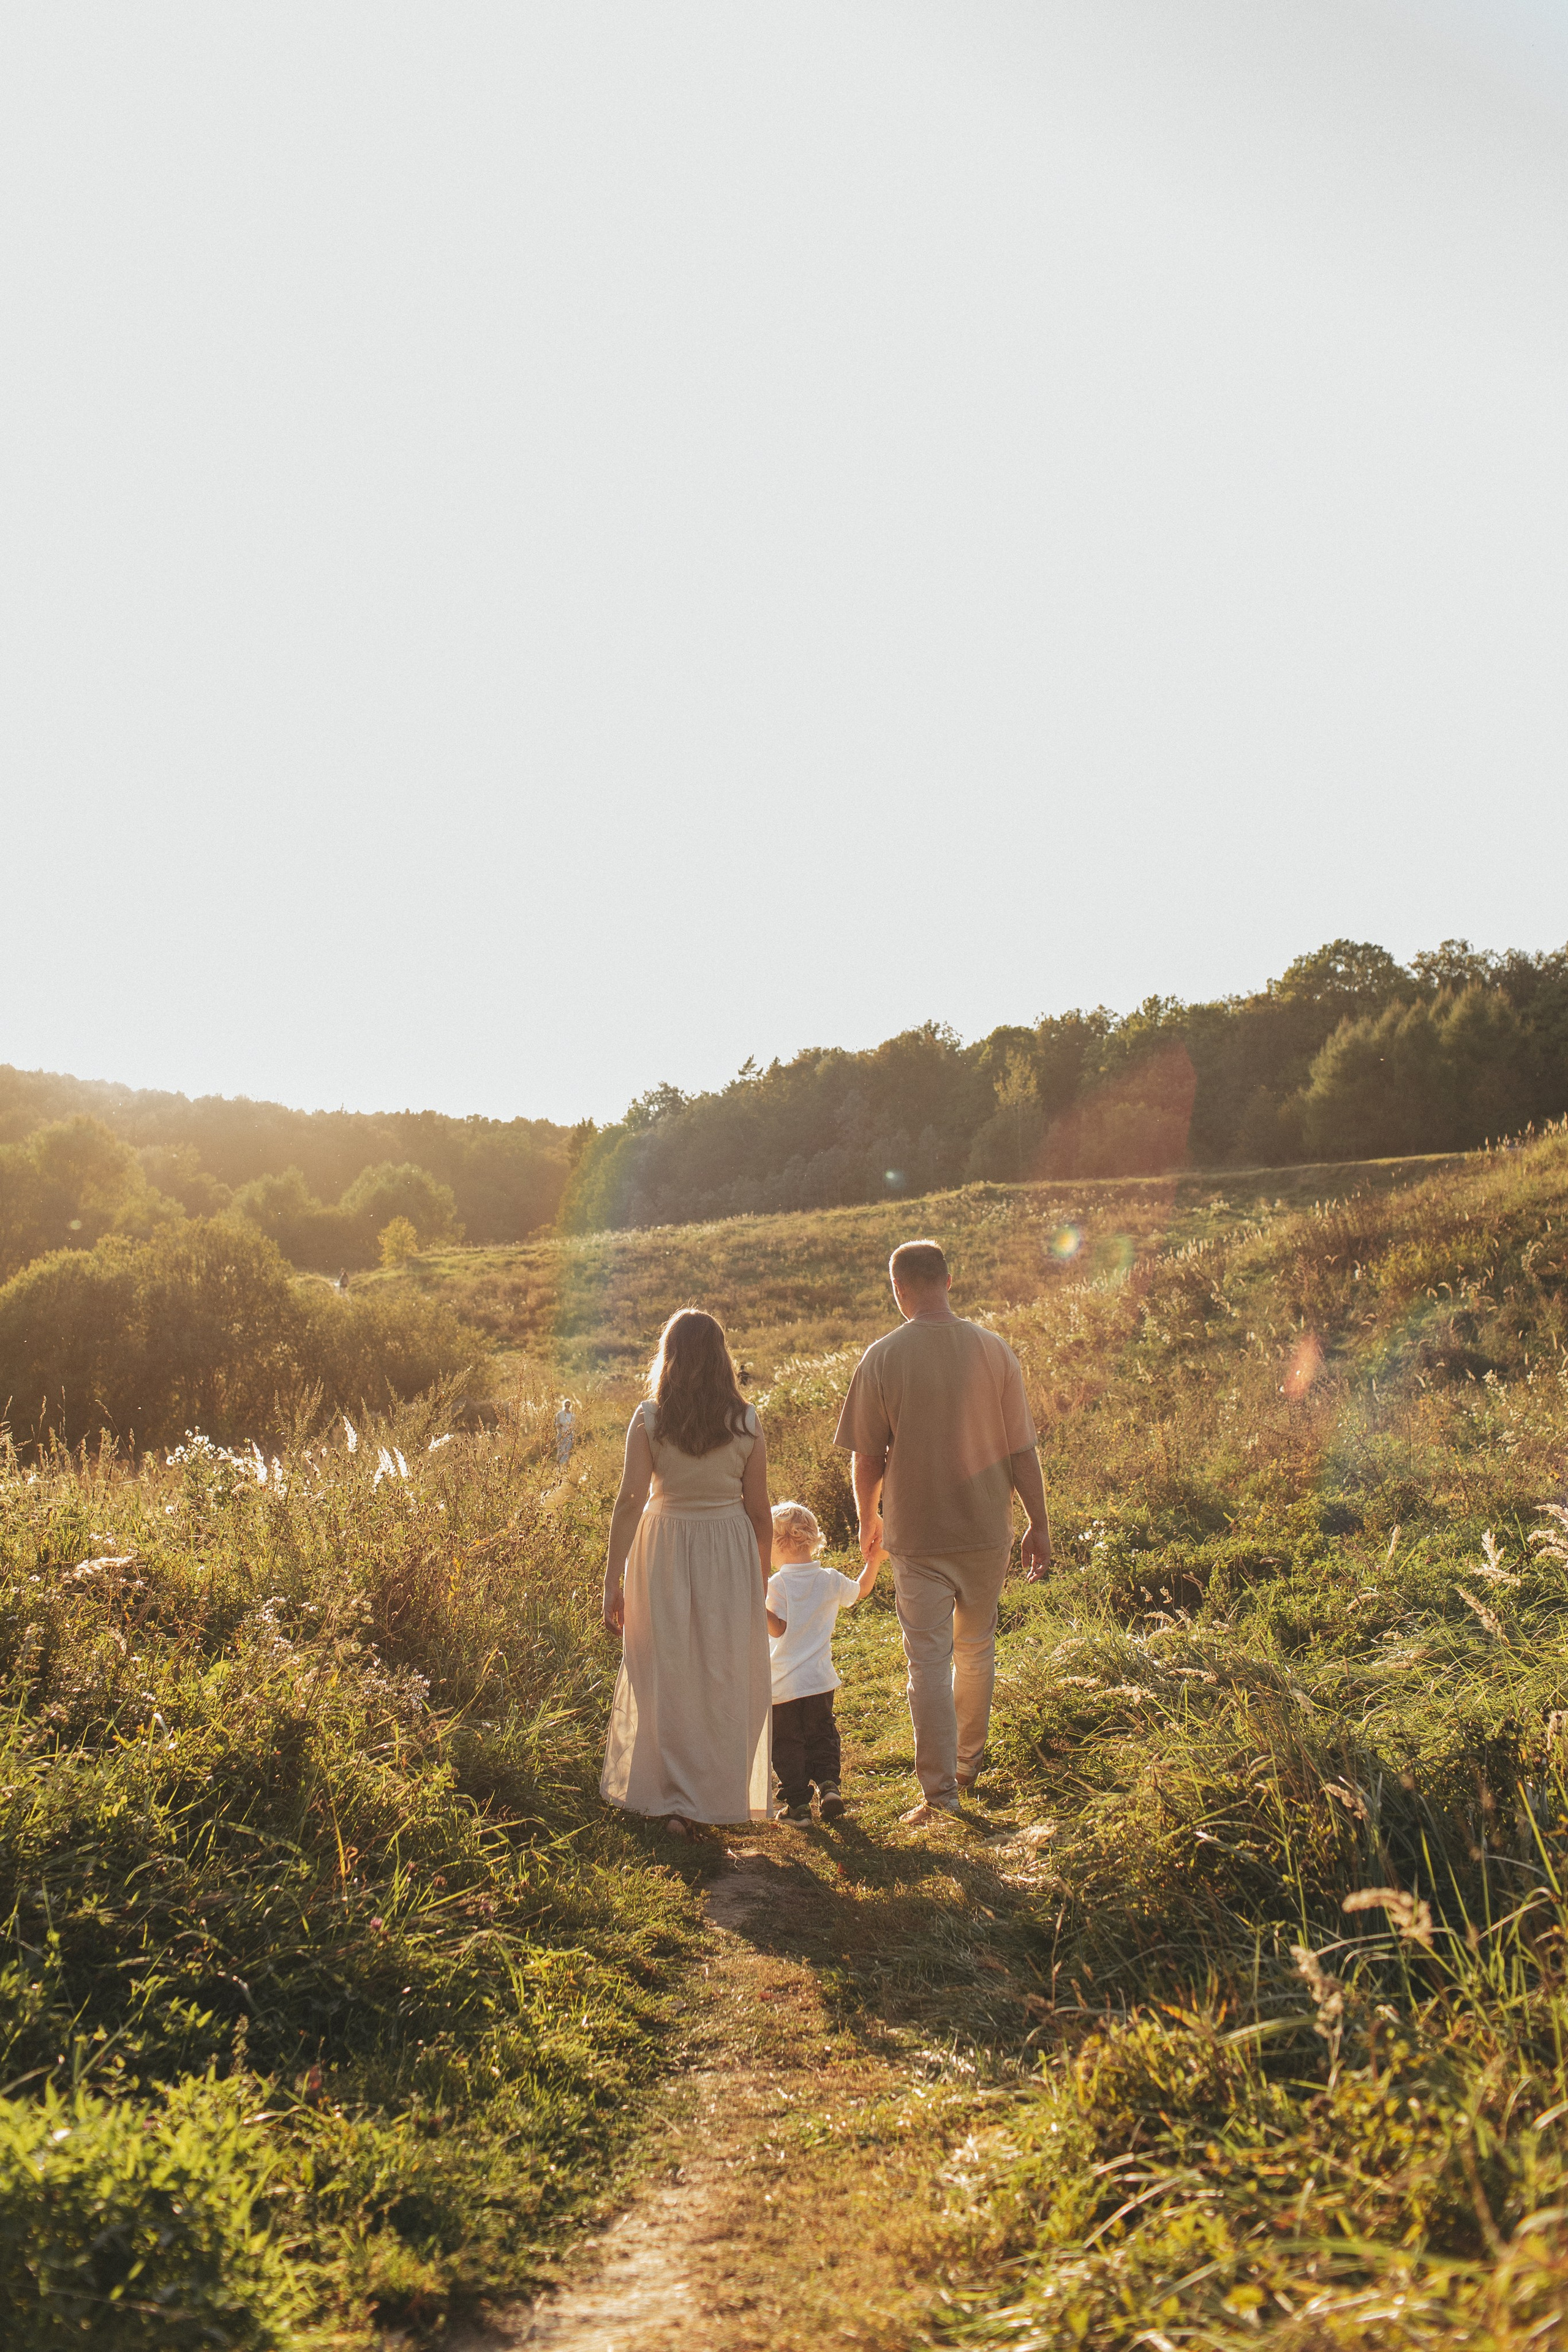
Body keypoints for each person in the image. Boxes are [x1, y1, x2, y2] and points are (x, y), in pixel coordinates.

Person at [834, 1238, 1054, 1825]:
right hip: (986, 1529)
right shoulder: (995, 1351)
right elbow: (1023, 1450)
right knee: (976, 1649)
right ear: (950, 1281)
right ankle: (966, 1768)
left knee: (927, 1661)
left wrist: (868, 1518)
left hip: (918, 1533)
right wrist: (1039, 1523)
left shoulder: (882, 1356)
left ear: (898, 1290)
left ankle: (940, 1795)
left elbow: (866, 1459)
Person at [600, 1309, 774, 1833]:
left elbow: (630, 1501)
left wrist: (613, 1580)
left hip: (664, 1546)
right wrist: (758, 1582)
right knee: (722, 1673)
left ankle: (674, 1798)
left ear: (668, 1356)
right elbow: (761, 1511)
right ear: (723, 1357)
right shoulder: (746, 1421)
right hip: (729, 1549)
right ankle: (711, 1797)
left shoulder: (650, 1418)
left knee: (665, 1670)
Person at [765, 1500, 880, 1823]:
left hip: (783, 1683)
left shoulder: (778, 1584)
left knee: (787, 1743)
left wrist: (755, 1605)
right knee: (822, 1733)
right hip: (819, 1681)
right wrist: (875, 1561)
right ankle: (830, 1786)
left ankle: (798, 1807)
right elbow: (861, 1591)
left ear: (775, 1545)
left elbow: (778, 1628)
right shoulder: (830, 1578)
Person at [554, 1398, 576, 1468]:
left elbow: (574, 1427)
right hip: (561, 1435)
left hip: (569, 1435)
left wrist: (574, 1437)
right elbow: (556, 1424)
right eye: (566, 1406)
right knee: (560, 1451)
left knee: (568, 1451)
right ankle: (559, 1468)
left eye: (568, 1406)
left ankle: (567, 1467)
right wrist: (560, 1425)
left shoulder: (573, 1415)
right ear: (564, 1405)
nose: (567, 1407)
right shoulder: (560, 1414)